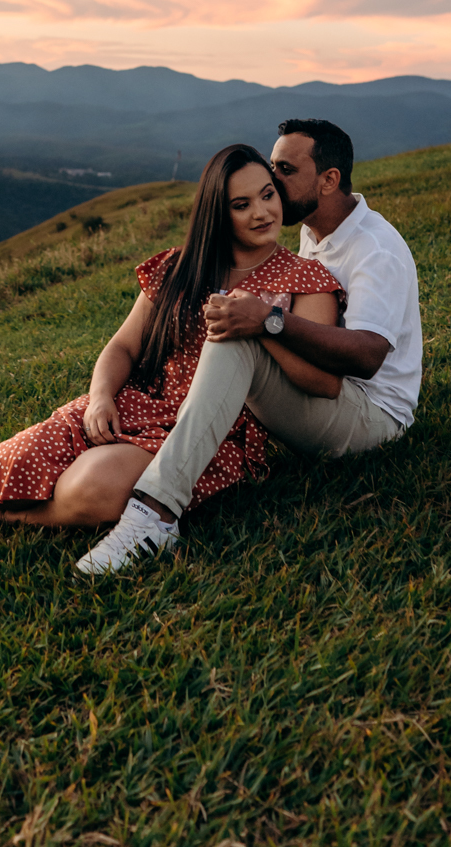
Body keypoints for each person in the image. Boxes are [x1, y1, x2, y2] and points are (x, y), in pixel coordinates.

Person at [0, 143, 344, 575]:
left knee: (93, 487)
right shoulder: (180, 268)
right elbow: (123, 347)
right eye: (241, 204)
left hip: (213, 429)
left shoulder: (305, 279)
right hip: (137, 402)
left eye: (268, 195)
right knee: (17, 457)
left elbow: (322, 382)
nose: (263, 212)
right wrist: (100, 398)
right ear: (218, 214)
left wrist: (261, 324)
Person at [126, 117, 421, 554]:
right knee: (241, 329)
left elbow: (367, 356)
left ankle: (155, 513)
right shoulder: (313, 232)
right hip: (319, 393)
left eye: (284, 170)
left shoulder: (374, 249)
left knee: (242, 333)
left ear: (329, 180)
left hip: (372, 417)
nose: (272, 179)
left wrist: (268, 319)